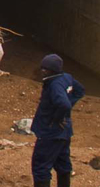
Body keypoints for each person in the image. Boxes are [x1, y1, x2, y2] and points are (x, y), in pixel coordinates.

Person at [30, 53, 84, 187]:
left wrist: (57, 117)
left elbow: (63, 104)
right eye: (42, 68)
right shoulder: (67, 78)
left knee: (40, 167)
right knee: (63, 163)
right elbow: (80, 91)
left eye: (45, 69)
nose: (42, 71)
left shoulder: (54, 85)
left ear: (53, 70)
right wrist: (66, 111)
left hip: (51, 132)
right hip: (64, 131)